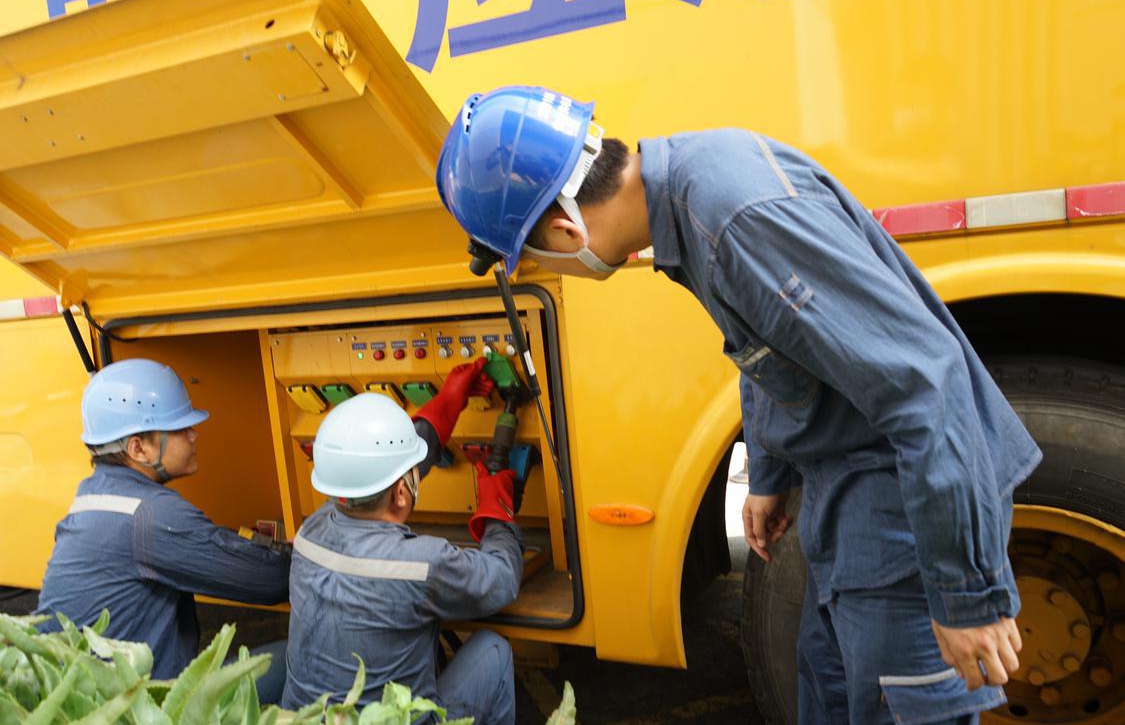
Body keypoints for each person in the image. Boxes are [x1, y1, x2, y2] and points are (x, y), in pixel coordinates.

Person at [434, 86, 1042, 724]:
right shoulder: (694, 194)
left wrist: (967, 597)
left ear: (565, 229)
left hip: (898, 511)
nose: (556, 271)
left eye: (532, 257)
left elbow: (925, 386)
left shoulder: (734, 219)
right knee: (828, 695)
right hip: (846, 499)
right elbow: (768, 346)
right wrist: (771, 473)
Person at [282, 358, 522, 725]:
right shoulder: (420, 563)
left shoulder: (309, 533)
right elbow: (501, 579)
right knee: (493, 649)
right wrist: (497, 507)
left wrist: (449, 400)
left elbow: (373, 473)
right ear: (400, 494)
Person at [36, 358, 291, 699]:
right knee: (302, 655)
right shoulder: (150, 514)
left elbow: (199, 542)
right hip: (143, 708)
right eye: (180, 429)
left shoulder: (96, 493)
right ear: (138, 448)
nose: (194, 434)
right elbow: (270, 582)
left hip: (85, 699)